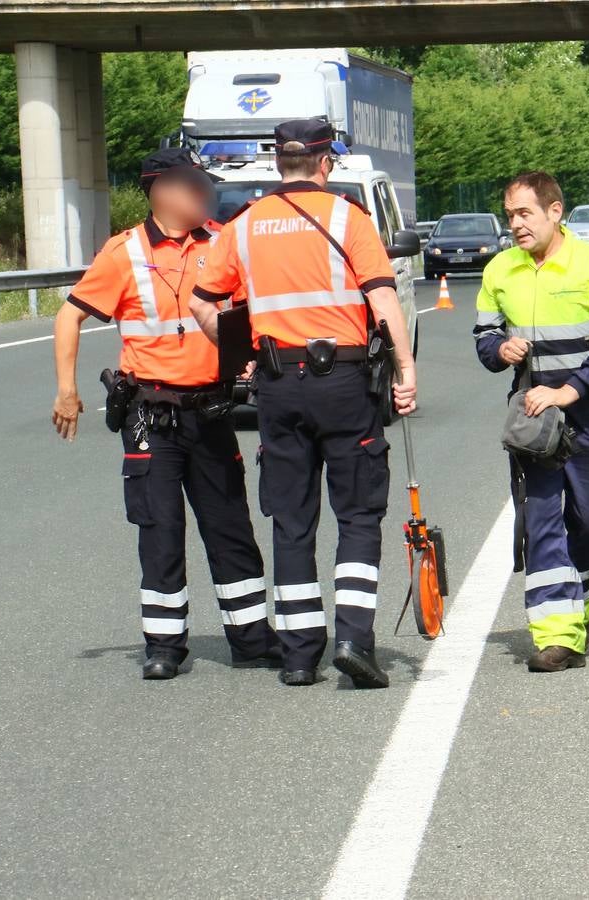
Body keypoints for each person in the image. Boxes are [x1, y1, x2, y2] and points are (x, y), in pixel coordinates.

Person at [189, 118, 417, 689]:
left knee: (292, 520)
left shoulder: (241, 227)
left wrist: (241, 353)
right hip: (344, 382)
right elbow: (383, 298)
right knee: (359, 513)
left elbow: (201, 304)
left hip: (277, 384)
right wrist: (406, 371)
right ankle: (354, 639)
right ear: (325, 164)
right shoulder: (349, 219)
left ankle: (297, 654)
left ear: (277, 163)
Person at [52, 148, 278, 680]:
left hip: (211, 409)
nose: (206, 195)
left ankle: (251, 637)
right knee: (159, 527)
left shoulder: (223, 242)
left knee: (229, 524)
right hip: (150, 413)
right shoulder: (124, 252)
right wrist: (67, 390)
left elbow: (254, 312)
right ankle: (164, 644)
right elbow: (69, 316)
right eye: (196, 185)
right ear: (162, 189)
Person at [473, 171, 589, 673]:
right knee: (541, 522)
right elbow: (483, 338)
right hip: (536, 423)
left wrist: (569, 390)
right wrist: (501, 348)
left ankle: (577, 607)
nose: (516, 225)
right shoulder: (499, 271)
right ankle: (554, 637)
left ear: (554, 211)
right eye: (510, 216)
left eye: (524, 213)